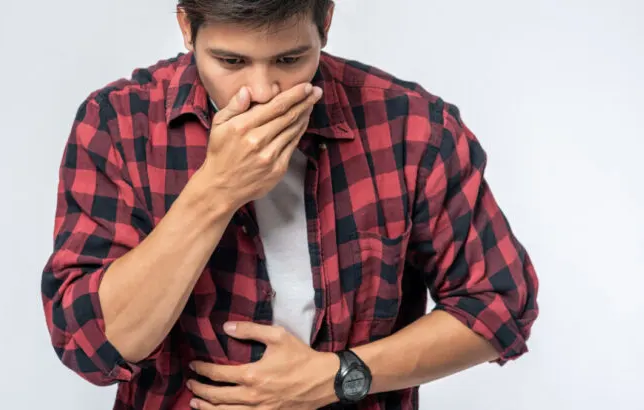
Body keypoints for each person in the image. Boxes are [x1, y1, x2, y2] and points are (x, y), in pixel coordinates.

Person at [40, 1, 540, 409]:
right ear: (187, 28)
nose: (262, 92)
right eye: (231, 62)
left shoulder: (413, 126)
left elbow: (498, 306)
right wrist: (217, 189)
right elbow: (91, 346)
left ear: (325, 23)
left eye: (289, 59)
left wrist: (340, 376)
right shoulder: (118, 124)